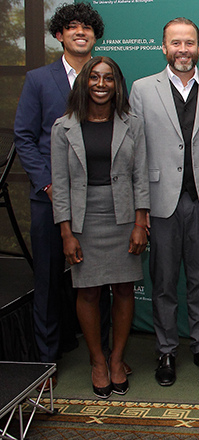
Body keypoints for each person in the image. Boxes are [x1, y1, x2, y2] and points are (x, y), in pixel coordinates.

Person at [129, 17, 199, 386]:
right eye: (176, 43)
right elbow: (136, 151)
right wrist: (140, 209)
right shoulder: (142, 89)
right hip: (160, 203)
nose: (183, 50)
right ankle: (166, 351)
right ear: (164, 47)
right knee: (163, 282)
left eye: (189, 43)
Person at [13, 2, 107, 391]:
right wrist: (49, 185)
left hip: (101, 202)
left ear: (95, 35)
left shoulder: (106, 76)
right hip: (50, 199)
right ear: (59, 35)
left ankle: (100, 358)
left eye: (87, 27)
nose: (80, 32)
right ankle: (45, 362)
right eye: (72, 27)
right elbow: (24, 137)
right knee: (50, 281)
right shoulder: (38, 79)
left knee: (98, 281)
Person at [51, 56, 149, 398]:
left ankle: (118, 359)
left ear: (117, 84)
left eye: (108, 78)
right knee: (88, 291)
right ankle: (97, 361)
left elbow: (140, 175)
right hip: (82, 219)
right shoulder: (63, 127)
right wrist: (66, 232)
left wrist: (141, 221)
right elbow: (60, 184)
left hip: (123, 216)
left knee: (124, 289)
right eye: (94, 77)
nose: (101, 84)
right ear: (84, 82)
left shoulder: (132, 123)